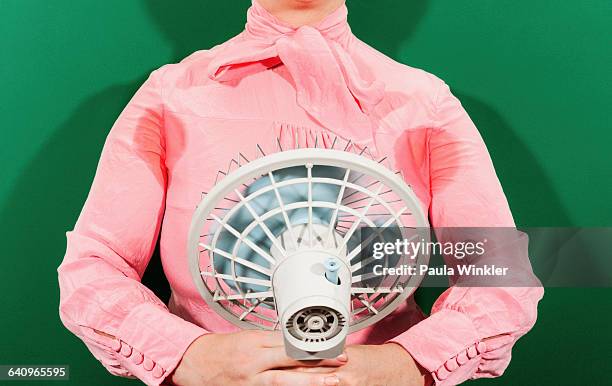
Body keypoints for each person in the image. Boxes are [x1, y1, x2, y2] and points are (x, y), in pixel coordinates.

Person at [57, 0, 543, 385]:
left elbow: (498, 271)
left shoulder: (423, 101)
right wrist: (188, 354)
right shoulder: (171, 96)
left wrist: (407, 363)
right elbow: (95, 264)